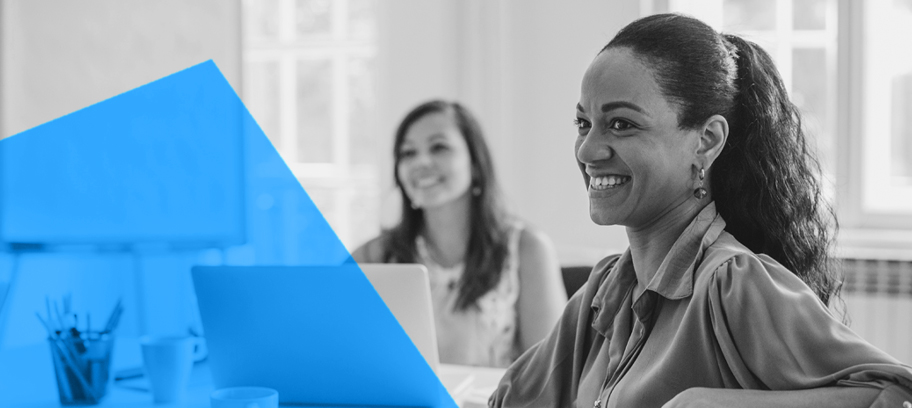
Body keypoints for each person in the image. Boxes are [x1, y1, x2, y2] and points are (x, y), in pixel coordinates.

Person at [489, 13, 912, 408]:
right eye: (584, 124)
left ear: (706, 140)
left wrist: (716, 404)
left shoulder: (732, 284)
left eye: (621, 124)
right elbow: (507, 399)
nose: (587, 150)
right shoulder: (606, 289)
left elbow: (893, 392)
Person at [352, 100, 567, 368]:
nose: (421, 162)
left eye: (438, 147)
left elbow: (552, 375)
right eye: (407, 153)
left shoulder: (528, 249)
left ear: (475, 164)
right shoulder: (372, 256)